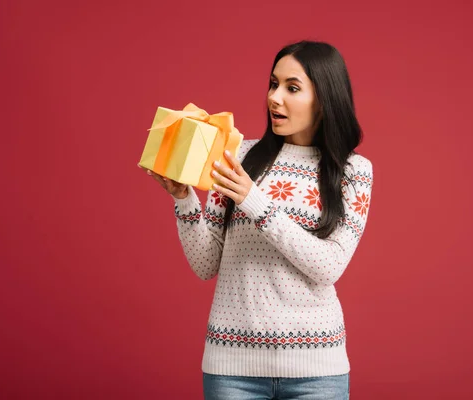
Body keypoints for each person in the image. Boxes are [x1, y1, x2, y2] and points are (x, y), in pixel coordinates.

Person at [144, 40, 373, 400]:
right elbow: (206, 264)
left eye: (292, 88)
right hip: (232, 368)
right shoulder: (237, 156)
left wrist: (255, 202)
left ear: (325, 98)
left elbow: (328, 266)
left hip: (317, 372)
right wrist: (184, 198)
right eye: (273, 84)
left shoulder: (353, 172)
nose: (274, 98)